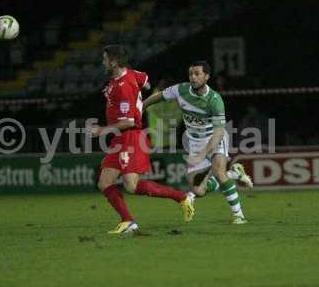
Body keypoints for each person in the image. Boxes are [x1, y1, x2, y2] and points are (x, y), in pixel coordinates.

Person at [89, 45, 195, 235]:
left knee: (131, 185)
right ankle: (128, 221)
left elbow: (128, 121)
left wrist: (102, 130)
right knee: (104, 182)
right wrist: (140, 95)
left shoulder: (124, 87)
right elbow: (145, 81)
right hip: (120, 139)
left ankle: (181, 197)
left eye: (105, 59)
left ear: (113, 62)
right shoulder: (130, 75)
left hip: (130, 136)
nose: (103, 62)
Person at [143, 61, 252, 224]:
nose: (193, 77)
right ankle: (234, 173)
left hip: (215, 138)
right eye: (190, 74)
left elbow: (219, 131)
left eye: (197, 74)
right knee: (198, 190)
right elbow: (159, 96)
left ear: (206, 77)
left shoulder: (214, 100)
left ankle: (239, 215)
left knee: (218, 172)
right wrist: (141, 107)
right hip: (194, 142)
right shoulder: (180, 90)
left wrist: (203, 154)